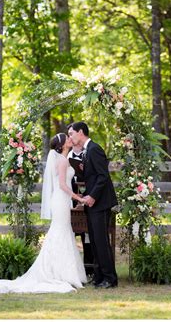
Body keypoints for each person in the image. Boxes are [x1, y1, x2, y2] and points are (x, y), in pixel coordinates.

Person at [0, 133, 87, 294]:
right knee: (60, 232)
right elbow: (62, 185)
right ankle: (59, 273)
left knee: (62, 232)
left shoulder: (64, 159)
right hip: (60, 200)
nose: (70, 139)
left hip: (61, 200)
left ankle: (62, 272)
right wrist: (79, 198)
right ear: (62, 145)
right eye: (67, 139)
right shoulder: (62, 161)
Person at [68, 122, 118, 289]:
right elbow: (92, 176)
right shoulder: (86, 152)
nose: (70, 137)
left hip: (100, 202)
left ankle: (110, 279)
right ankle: (99, 276)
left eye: (71, 134)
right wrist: (82, 170)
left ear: (80, 132)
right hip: (92, 203)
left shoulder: (95, 149)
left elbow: (103, 177)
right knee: (94, 242)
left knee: (101, 241)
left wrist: (92, 196)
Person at [67, 139, 94, 278]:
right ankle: (70, 270)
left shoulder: (88, 153)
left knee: (87, 235)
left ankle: (89, 268)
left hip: (87, 199)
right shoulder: (66, 156)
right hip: (69, 202)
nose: (71, 138)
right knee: (69, 236)